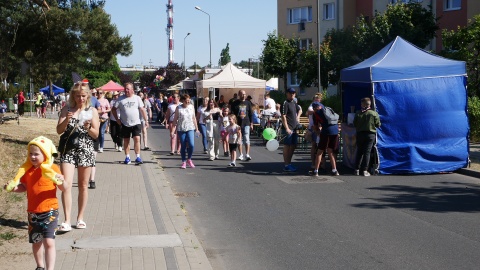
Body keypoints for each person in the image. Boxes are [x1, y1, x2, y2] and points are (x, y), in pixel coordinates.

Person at [3, 136, 66, 270]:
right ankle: (40, 266)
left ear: (46, 155)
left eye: (36, 154)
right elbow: (24, 187)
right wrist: (14, 188)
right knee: (36, 242)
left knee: (49, 242)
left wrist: (62, 180)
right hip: (33, 212)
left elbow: (63, 188)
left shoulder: (52, 168)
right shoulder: (28, 171)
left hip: (50, 211)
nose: (32, 157)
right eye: (30, 154)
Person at [56, 81, 99, 232]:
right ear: (73, 95)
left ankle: (80, 218)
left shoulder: (92, 111)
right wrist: (67, 120)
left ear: (88, 95)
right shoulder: (66, 109)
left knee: (82, 185)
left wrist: (88, 128)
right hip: (68, 150)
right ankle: (66, 220)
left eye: (83, 95)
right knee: (66, 184)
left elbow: (96, 134)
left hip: (85, 149)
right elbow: (59, 130)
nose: (80, 99)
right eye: (77, 95)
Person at [111, 82, 149, 165]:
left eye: (128, 89)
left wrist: (146, 120)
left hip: (136, 122)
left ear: (132, 90)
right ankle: (127, 157)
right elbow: (113, 109)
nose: (126, 90)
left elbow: (142, 110)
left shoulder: (137, 98)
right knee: (126, 140)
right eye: (125, 89)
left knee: (137, 139)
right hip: (125, 123)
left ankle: (138, 157)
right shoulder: (120, 99)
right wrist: (117, 119)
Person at [170, 94, 200, 169]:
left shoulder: (191, 107)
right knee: (183, 145)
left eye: (188, 100)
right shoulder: (178, 108)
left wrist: (197, 128)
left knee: (191, 144)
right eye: (186, 100)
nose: (188, 102)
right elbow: (175, 120)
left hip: (190, 128)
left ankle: (189, 159)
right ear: (183, 101)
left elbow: (194, 118)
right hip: (181, 129)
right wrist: (173, 131)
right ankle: (183, 161)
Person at [354, 97, 381, 176]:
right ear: (369, 104)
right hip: (370, 134)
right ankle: (365, 170)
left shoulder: (358, 113)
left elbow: (355, 124)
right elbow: (378, 124)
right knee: (367, 152)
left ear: (363, 104)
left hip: (360, 134)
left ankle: (357, 169)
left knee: (359, 152)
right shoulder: (373, 113)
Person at [312, 101, 340, 176]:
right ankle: (334, 170)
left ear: (315, 108)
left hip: (326, 132)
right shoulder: (328, 109)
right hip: (335, 131)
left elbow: (315, 126)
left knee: (319, 151)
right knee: (331, 151)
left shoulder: (316, 113)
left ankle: (316, 171)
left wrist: (318, 132)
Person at [281, 88, 300, 172]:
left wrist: (298, 117)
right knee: (287, 146)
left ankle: (289, 163)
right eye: (290, 93)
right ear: (287, 94)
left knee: (293, 146)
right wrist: (287, 128)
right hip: (288, 128)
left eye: (293, 93)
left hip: (294, 127)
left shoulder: (294, 102)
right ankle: (286, 165)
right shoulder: (285, 103)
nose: (292, 94)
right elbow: (283, 116)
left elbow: (300, 109)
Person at [231, 90, 253, 161]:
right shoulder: (235, 103)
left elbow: (250, 114)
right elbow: (232, 114)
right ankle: (241, 154)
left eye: (245, 94)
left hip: (246, 123)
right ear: (239, 95)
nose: (244, 95)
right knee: (239, 140)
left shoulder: (248, 103)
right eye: (242, 94)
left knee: (247, 139)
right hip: (238, 124)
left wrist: (251, 123)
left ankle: (247, 154)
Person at [307, 93, 325, 172]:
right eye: (316, 99)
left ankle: (321, 164)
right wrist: (317, 111)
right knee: (314, 145)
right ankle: (313, 163)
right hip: (313, 127)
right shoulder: (312, 105)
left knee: (320, 146)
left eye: (319, 99)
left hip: (320, 127)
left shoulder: (321, 105)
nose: (317, 100)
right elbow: (309, 111)